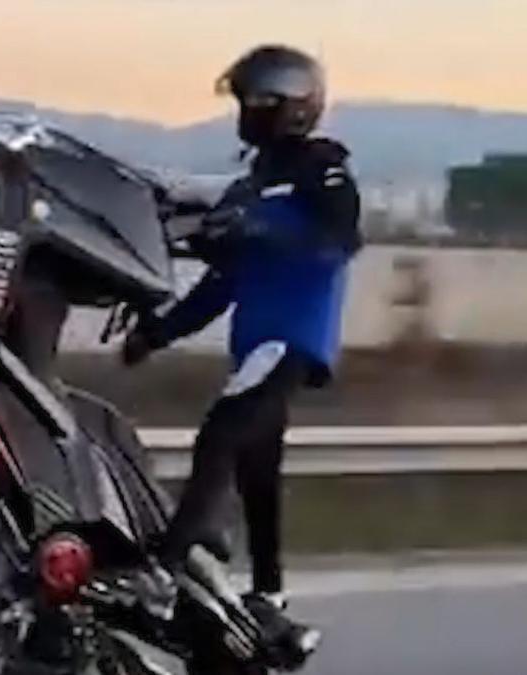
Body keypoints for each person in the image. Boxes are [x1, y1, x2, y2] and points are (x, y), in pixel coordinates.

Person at [122, 45, 362, 612]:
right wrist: (155, 334)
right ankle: (270, 594)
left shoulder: (321, 168)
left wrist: (258, 230)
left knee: (221, 435)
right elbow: (220, 285)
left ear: (296, 107)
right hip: (258, 342)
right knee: (258, 469)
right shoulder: (254, 184)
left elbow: (340, 240)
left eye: (259, 101)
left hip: (291, 337)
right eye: (244, 101)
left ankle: (172, 560)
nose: (247, 111)